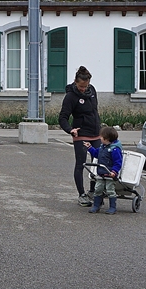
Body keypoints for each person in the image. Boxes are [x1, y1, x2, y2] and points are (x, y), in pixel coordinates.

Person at [59, 66, 101, 206]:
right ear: (75, 82)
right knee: (81, 164)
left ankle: (93, 191)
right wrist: (70, 130)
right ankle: (81, 194)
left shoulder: (92, 90)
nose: (83, 88)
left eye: (86, 85)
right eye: (81, 86)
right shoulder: (70, 96)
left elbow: (94, 111)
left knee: (98, 163)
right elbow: (63, 118)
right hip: (81, 134)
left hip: (96, 134)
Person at [86, 126, 124, 214]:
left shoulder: (115, 149)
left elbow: (118, 162)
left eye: (101, 137)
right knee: (98, 189)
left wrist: (114, 171)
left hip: (109, 173)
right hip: (101, 173)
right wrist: (90, 148)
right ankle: (96, 205)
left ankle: (112, 207)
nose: (100, 138)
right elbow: (96, 154)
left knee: (110, 190)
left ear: (106, 139)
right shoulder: (102, 147)